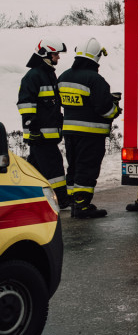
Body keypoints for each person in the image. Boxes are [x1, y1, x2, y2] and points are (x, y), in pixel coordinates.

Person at [58, 38, 121, 219]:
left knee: (74, 167)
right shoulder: (95, 79)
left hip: (69, 132)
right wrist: (115, 108)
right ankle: (83, 206)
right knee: (87, 168)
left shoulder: (63, 77)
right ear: (96, 58)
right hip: (91, 134)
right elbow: (104, 109)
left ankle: (75, 202)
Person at [18, 39, 71, 210]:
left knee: (34, 168)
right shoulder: (33, 76)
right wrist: (32, 127)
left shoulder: (47, 74)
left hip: (45, 134)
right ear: (44, 54)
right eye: (55, 54)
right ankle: (62, 199)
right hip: (40, 134)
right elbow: (26, 104)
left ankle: (25, 198)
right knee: (54, 165)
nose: (58, 58)